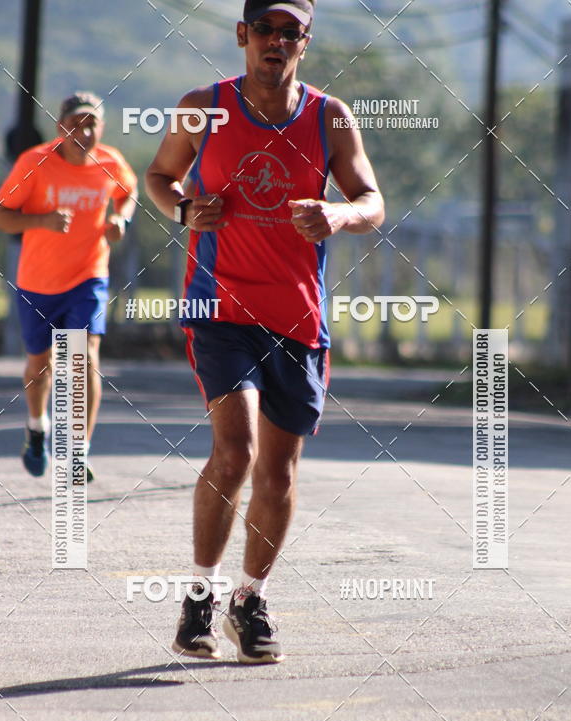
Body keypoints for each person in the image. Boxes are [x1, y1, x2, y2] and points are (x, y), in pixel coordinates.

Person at [145, 0, 384, 663]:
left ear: (304, 43)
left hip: (299, 319)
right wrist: (187, 209)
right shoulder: (205, 105)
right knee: (237, 450)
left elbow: (373, 199)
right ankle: (199, 595)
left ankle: (249, 600)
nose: (276, 42)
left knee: (277, 477)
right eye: (266, 31)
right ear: (242, 36)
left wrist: (338, 216)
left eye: (291, 33)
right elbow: (159, 177)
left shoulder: (328, 116)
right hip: (220, 311)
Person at [0, 91, 137, 481]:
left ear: (101, 129)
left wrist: (120, 219)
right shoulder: (34, 162)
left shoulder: (110, 162)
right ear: (60, 128)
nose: (83, 131)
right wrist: (41, 222)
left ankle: (77, 449)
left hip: (88, 276)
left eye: (91, 123)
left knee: (84, 354)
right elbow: (0, 218)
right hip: (37, 281)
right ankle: (37, 427)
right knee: (41, 364)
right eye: (75, 123)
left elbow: (128, 192)